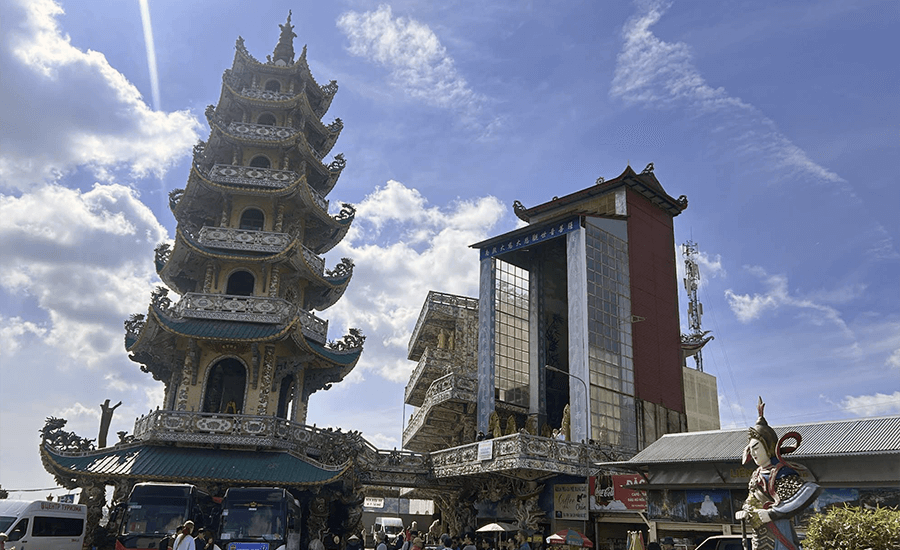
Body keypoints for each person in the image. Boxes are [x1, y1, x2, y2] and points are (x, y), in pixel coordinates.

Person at [734, 398, 821, 550]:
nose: (753, 453)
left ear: (768, 447)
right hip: (759, 535)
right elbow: (751, 499)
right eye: (751, 449)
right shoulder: (756, 474)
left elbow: (808, 491)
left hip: (779, 531)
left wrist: (774, 513)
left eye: (756, 447)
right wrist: (745, 510)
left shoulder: (781, 472)